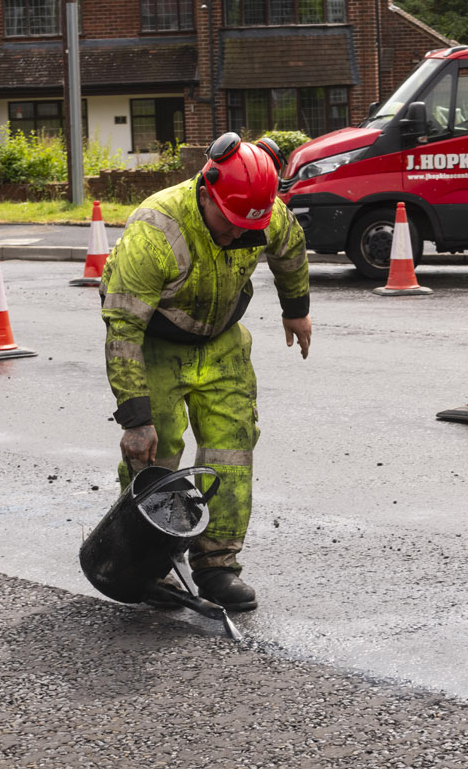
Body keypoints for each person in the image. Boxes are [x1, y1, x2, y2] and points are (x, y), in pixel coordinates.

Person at [99, 132, 311, 612]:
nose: (236, 235)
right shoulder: (156, 230)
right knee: (157, 456)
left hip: (220, 341)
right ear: (206, 190)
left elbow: (291, 251)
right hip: (156, 343)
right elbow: (123, 328)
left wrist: (296, 309)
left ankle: (218, 567)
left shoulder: (260, 213)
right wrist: (135, 418)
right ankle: (150, 565)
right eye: (228, 223)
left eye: (246, 228)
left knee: (232, 450)